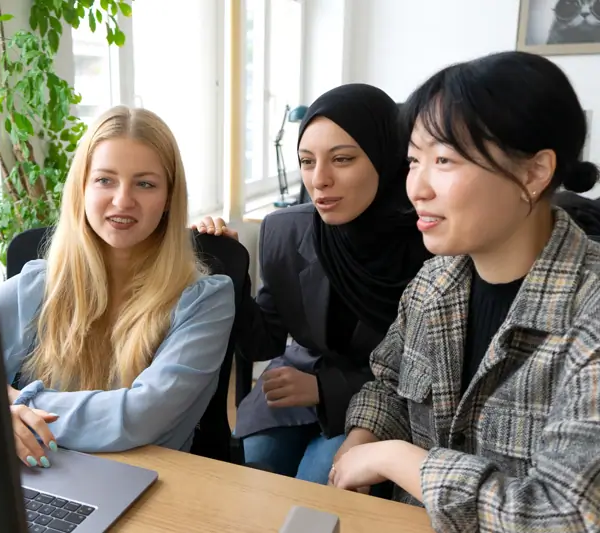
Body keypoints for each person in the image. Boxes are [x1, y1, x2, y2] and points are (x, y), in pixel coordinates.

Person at [330, 51, 600, 532]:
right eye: (414, 160)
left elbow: (567, 516)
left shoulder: (589, 316)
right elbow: (390, 384)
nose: (417, 187)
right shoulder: (434, 282)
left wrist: (396, 459)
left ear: (534, 173)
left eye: (444, 160)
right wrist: (362, 437)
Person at [194, 84, 430, 484]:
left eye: (342, 159)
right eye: (306, 161)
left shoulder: (429, 243)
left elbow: (421, 372)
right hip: (292, 387)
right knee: (257, 473)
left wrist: (326, 388)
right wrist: (228, 272)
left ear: (386, 158)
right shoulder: (286, 230)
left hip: (378, 400)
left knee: (318, 481)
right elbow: (263, 342)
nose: (319, 180)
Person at [0, 106, 235, 468]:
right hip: (40, 476)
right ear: (82, 189)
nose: (123, 200)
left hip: (150, 487)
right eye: (105, 180)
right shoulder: (38, 285)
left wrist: (18, 406)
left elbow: (140, 416)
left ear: (169, 198)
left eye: (145, 183)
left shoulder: (206, 301)